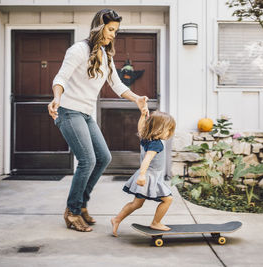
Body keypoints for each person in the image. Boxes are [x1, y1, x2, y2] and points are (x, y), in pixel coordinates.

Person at [47, 9, 149, 232]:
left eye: (116, 31)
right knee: (87, 160)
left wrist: (137, 99)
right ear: (99, 27)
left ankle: (81, 204)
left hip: (85, 113)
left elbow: (117, 84)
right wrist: (56, 98)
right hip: (68, 110)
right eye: (111, 29)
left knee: (103, 157)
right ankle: (72, 212)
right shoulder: (79, 50)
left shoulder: (106, 54)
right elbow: (61, 77)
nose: (114, 34)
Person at [111, 108, 176, 237]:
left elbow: (140, 127)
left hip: (147, 175)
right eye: (168, 129)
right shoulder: (156, 144)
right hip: (149, 177)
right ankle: (156, 222)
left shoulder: (146, 138)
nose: (169, 133)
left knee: (137, 204)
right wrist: (141, 175)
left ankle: (116, 219)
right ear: (158, 129)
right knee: (167, 199)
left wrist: (142, 116)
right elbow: (146, 160)